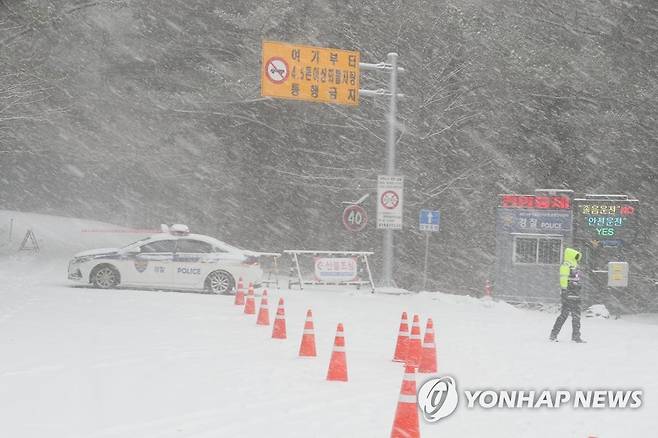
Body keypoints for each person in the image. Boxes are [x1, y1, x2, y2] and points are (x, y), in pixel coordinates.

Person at [550, 247, 586, 343]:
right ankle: (554, 335)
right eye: (576, 256)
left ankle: (576, 336)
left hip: (576, 294)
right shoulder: (566, 265)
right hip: (569, 294)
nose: (578, 258)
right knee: (564, 315)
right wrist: (564, 290)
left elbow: (576, 279)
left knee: (576, 316)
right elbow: (563, 279)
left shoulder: (575, 266)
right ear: (572, 255)